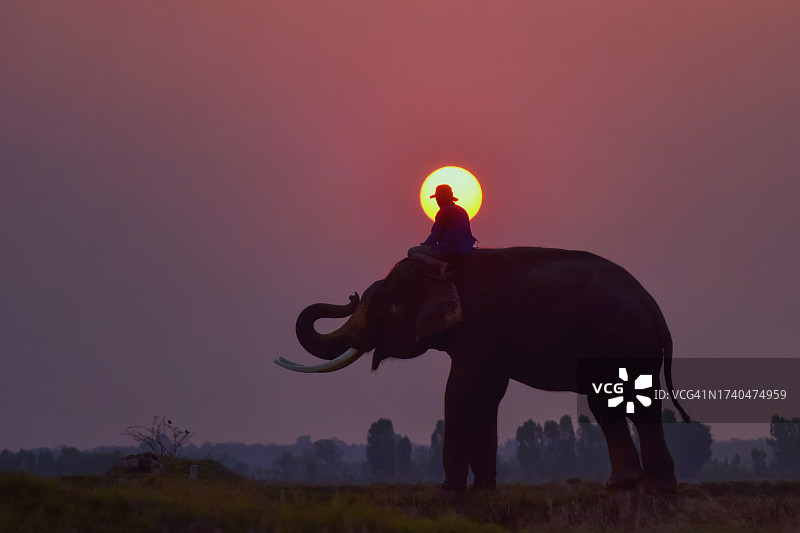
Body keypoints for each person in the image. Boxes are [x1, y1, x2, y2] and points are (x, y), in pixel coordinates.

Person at [408, 184, 476, 279]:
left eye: (437, 199)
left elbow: (435, 235)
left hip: (450, 251)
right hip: (466, 249)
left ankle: (440, 265)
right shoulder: (462, 210)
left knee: (412, 252)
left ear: (441, 199)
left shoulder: (444, 211)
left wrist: (424, 245)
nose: (437, 201)